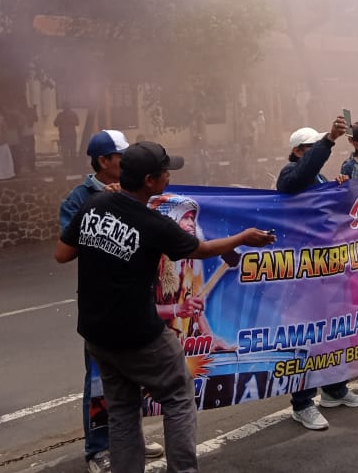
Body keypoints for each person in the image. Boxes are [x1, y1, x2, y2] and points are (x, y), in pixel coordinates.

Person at [55, 141, 275, 473]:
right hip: (139, 335)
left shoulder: (94, 205)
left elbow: (62, 253)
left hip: (96, 333)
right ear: (149, 181)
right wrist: (242, 237)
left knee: (124, 409)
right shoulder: (152, 224)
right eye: (165, 173)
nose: (169, 179)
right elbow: (200, 249)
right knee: (177, 393)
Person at [58, 129, 164, 470]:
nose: (126, 161)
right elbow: (66, 248)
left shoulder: (137, 190)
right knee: (100, 382)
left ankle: (129, 439)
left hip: (137, 302)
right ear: (103, 161)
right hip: (101, 306)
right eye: (121, 157)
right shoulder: (80, 197)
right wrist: (102, 205)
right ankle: (98, 449)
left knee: (133, 378)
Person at [276, 115, 358, 431]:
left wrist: (335, 187)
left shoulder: (315, 177)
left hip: (330, 268)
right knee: (308, 338)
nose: (319, 151)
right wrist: (329, 140)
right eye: (314, 147)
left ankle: (334, 389)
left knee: (336, 331)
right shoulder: (290, 175)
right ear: (300, 151)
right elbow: (298, 181)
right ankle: (302, 404)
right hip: (305, 273)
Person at [149, 193, 236, 352]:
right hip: (153, 344)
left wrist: (209, 339)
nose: (191, 224)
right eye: (185, 218)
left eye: (192, 219)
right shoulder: (150, 257)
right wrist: (177, 309)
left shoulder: (190, 261)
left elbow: (193, 307)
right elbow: (136, 309)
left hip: (182, 345)